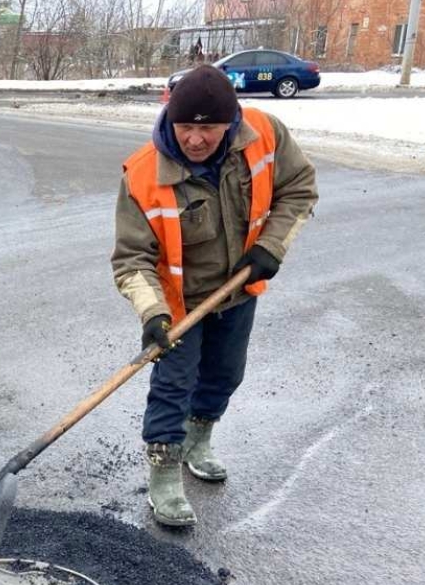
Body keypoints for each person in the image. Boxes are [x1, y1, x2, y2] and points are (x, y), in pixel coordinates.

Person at [111, 65, 318, 526]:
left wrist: (271, 246)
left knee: (225, 374)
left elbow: (299, 189)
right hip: (177, 305)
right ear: (170, 117)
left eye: (209, 128)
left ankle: (197, 440)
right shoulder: (144, 174)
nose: (196, 139)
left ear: (231, 121)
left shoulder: (263, 134)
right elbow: (131, 260)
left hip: (238, 289)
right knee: (173, 386)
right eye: (186, 126)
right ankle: (164, 474)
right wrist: (152, 315)